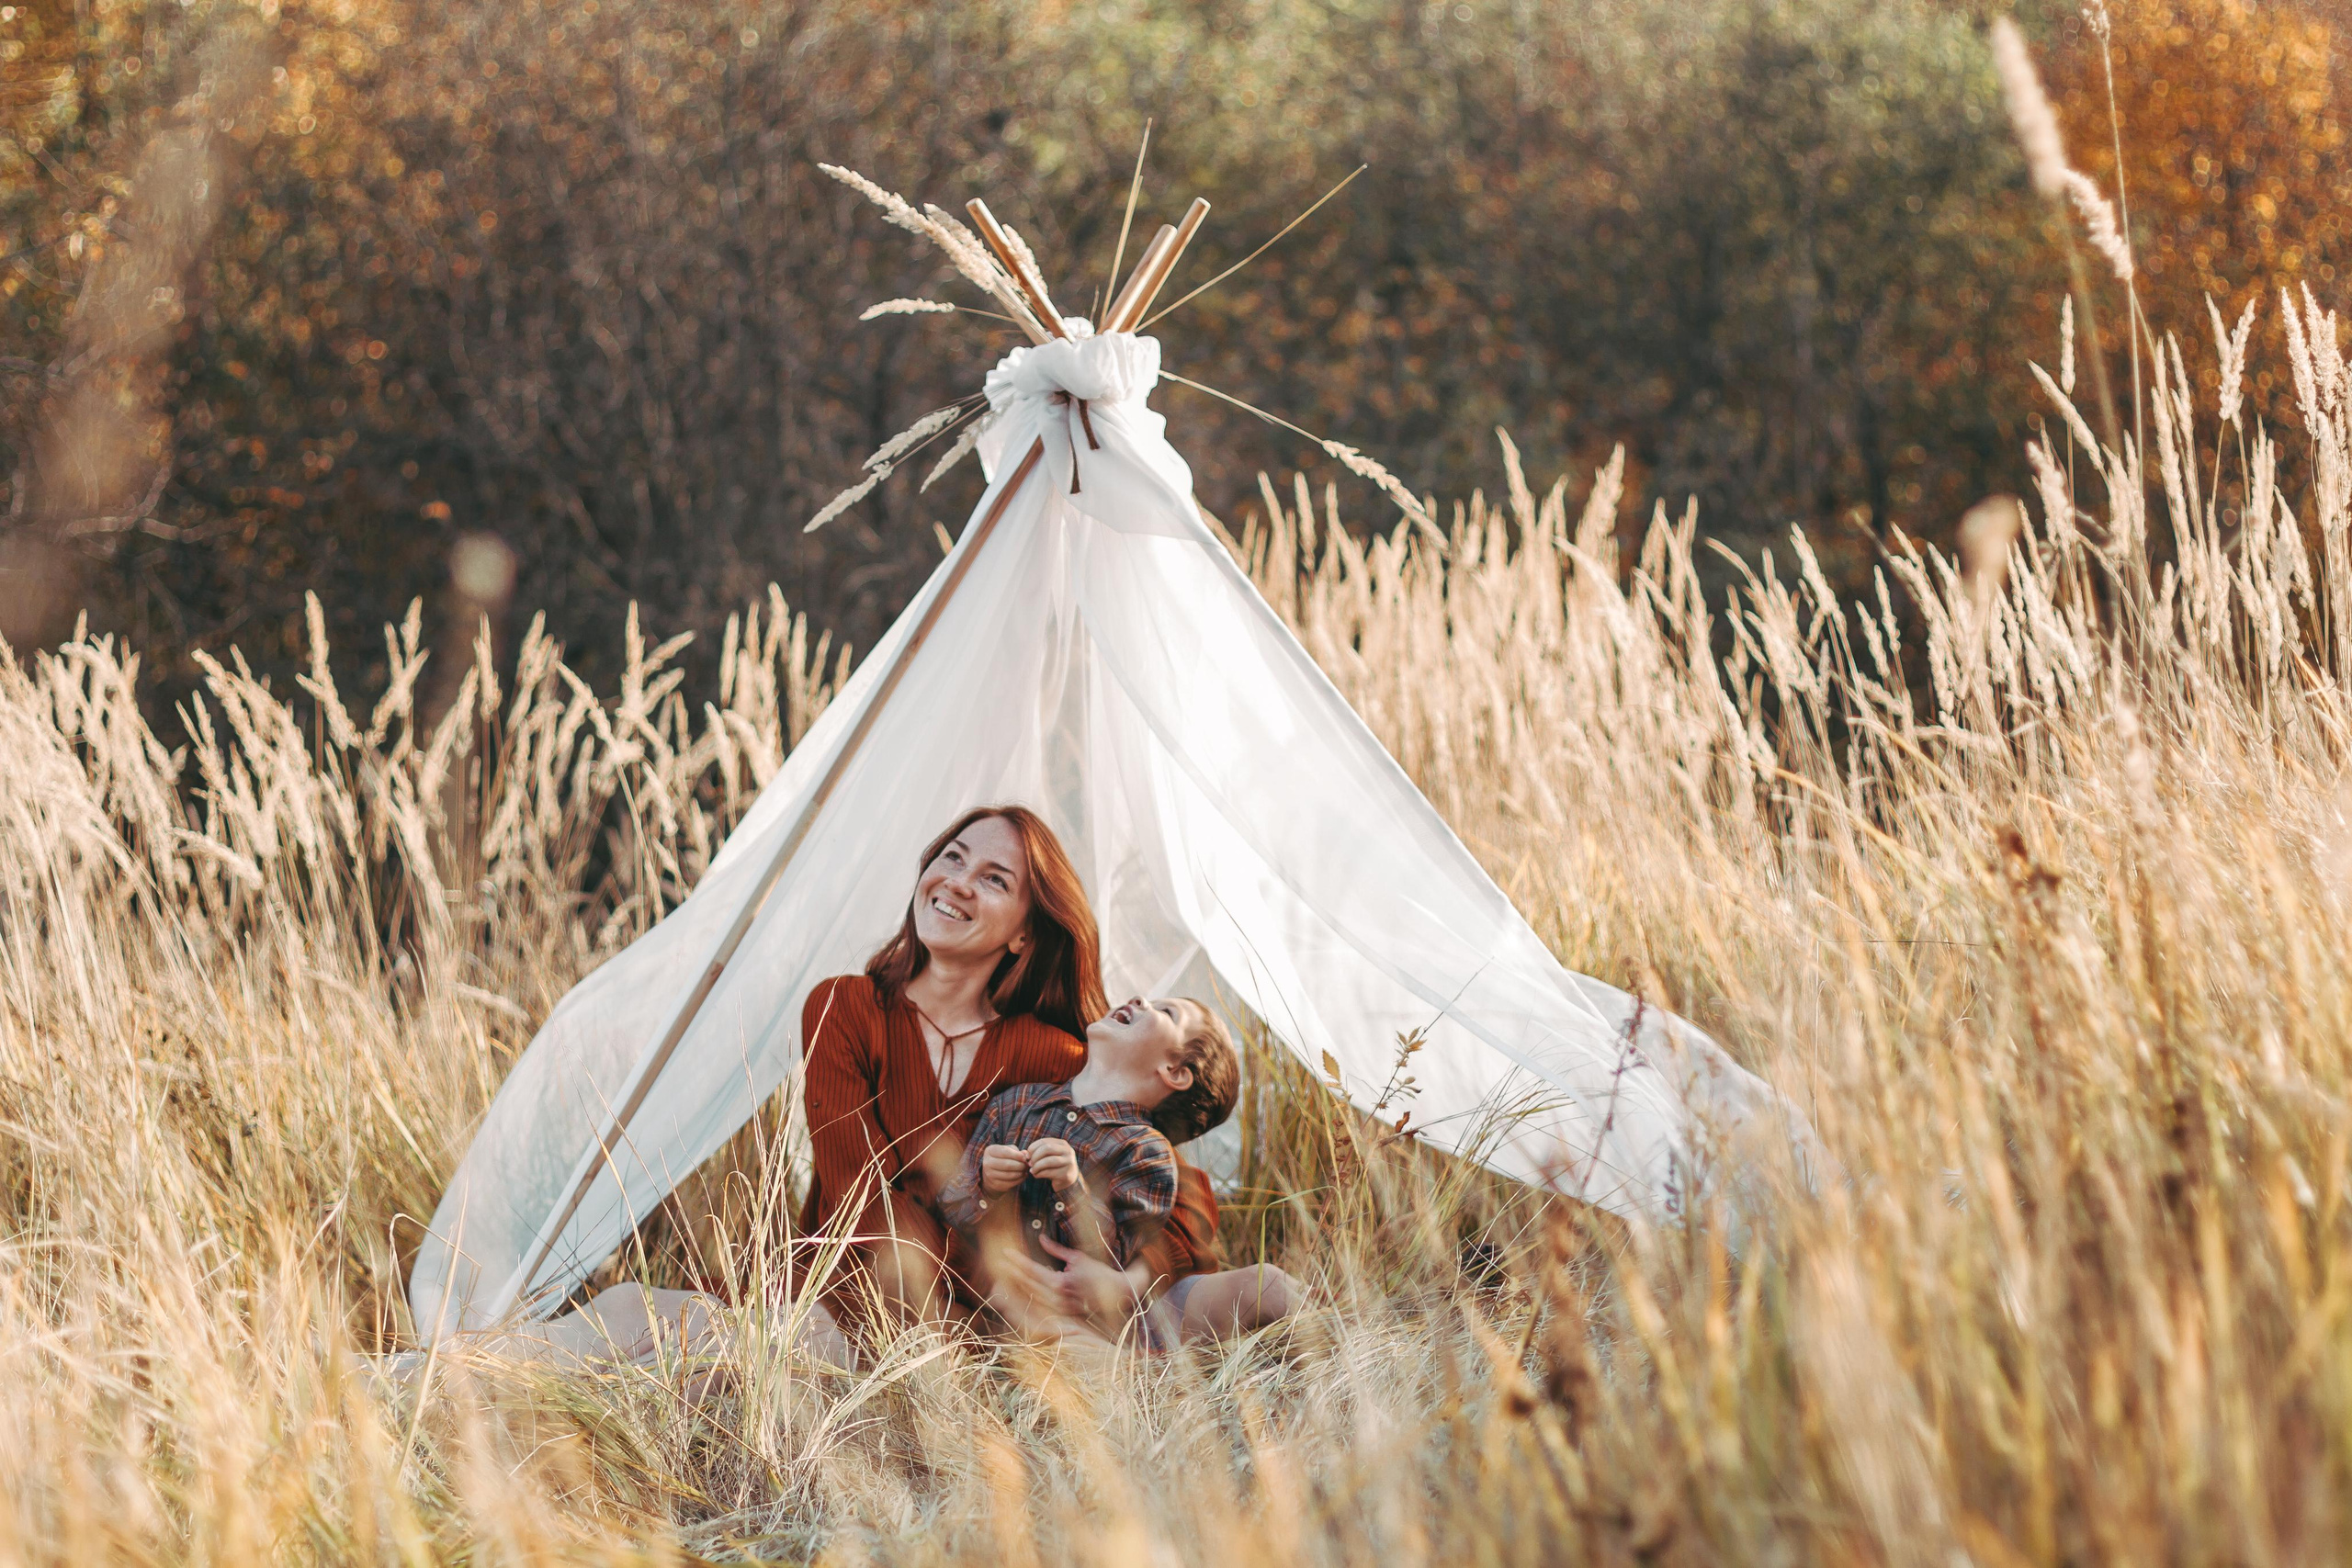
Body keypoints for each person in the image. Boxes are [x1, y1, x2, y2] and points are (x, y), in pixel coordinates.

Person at [796, 804, 1107, 1330]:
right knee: (626, 1312)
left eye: (993, 880)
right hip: (838, 1288)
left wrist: (1131, 1277)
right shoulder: (842, 1007)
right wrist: (991, 1281)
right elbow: (857, 1202)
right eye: (953, 859)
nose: (958, 883)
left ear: (1023, 937)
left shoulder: (1051, 1056)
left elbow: (1146, 1163)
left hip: (973, 1335)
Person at [943, 995, 1295, 1352]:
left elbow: (1112, 1259)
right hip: (1024, 1311)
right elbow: (953, 1207)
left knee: (1270, 1287)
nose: (1140, 998)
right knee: (1020, 1317)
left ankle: (1334, 1346)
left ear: (1174, 1072)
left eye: (1167, 1012)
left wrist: (1072, 1188)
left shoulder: (1147, 1152)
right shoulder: (1014, 1104)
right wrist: (985, 1184)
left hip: (1122, 1320)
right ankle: (1141, 1371)